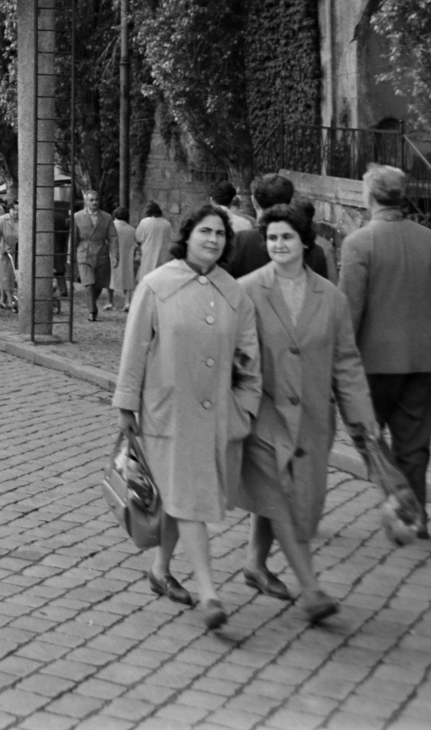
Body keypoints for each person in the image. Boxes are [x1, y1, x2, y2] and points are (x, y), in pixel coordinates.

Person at [114, 204, 261, 630]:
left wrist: (245, 409)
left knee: (182, 497)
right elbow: (135, 346)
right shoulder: (157, 285)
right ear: (188, 235)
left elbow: (250, 360)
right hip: (167, 413)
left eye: (220, 234)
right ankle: (210, 593)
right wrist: (126, 404)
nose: (213, 239)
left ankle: (160, 570)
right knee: (189, 498)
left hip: (216, 417)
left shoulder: (235, 294)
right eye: (205, 232)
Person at [235, 203, 379, 624]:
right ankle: (311, 589)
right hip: (264, 414)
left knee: (291, 494)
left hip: (313, 419)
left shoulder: (331, 299)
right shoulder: (247, 290)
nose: (279, 245)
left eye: (287, 237)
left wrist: (362, 421)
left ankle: (254, 564)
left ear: (304, 242)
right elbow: (235, 357)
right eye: (273, 237)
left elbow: (347, 364)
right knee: (281, 496)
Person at [339, 164, 431, 533]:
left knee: (366, 435)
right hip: (421, 358)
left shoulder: (358, 243)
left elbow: (350, 310)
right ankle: (417, 515)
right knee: (415, 442)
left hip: (371, 362)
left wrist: (340, 361)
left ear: (368, 196)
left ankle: (396, 492)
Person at [225, 175, 327, 279]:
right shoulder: (314, 250)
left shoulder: (238, 241)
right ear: (291, 203)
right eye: (272, 238)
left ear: (254, 201)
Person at [74, 190, 114, 320]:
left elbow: (113, 237)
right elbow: (73, 237)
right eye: (91, 200)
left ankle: (91, 302)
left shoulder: (107, 217)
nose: (94, 202)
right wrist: (70, 255)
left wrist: (115, 255)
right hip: (84, 252)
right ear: (86, 202)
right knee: (88, 282)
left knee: (99, 284)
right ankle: (92, 310)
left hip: (101, 252)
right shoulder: (77, 216)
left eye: (96, 200)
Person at [135, 202, 175, 284]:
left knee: (146, 280)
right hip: (163, 256)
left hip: (147, 255)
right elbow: (171, 239)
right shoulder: (167, 224)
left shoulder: (145, 222)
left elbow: (138, 238)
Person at [110, 207, 138, 311]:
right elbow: (135, 244)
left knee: (110, 278)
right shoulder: (131, 229)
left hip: (112, 256)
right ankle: (127, 302)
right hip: (127, 256)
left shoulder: (111, 226)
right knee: (128, 278)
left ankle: (109, 301)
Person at [0, 201, 19, 312]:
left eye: (18, 210)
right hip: (4, 253)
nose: (16, 212)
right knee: (5, 277)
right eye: (14, 209)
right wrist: (4, 247)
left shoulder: (22, 220)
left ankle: (2, 300)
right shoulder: (1, 220)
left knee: (13, 277)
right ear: (9, 209)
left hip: (17, 252)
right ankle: (10, 300)